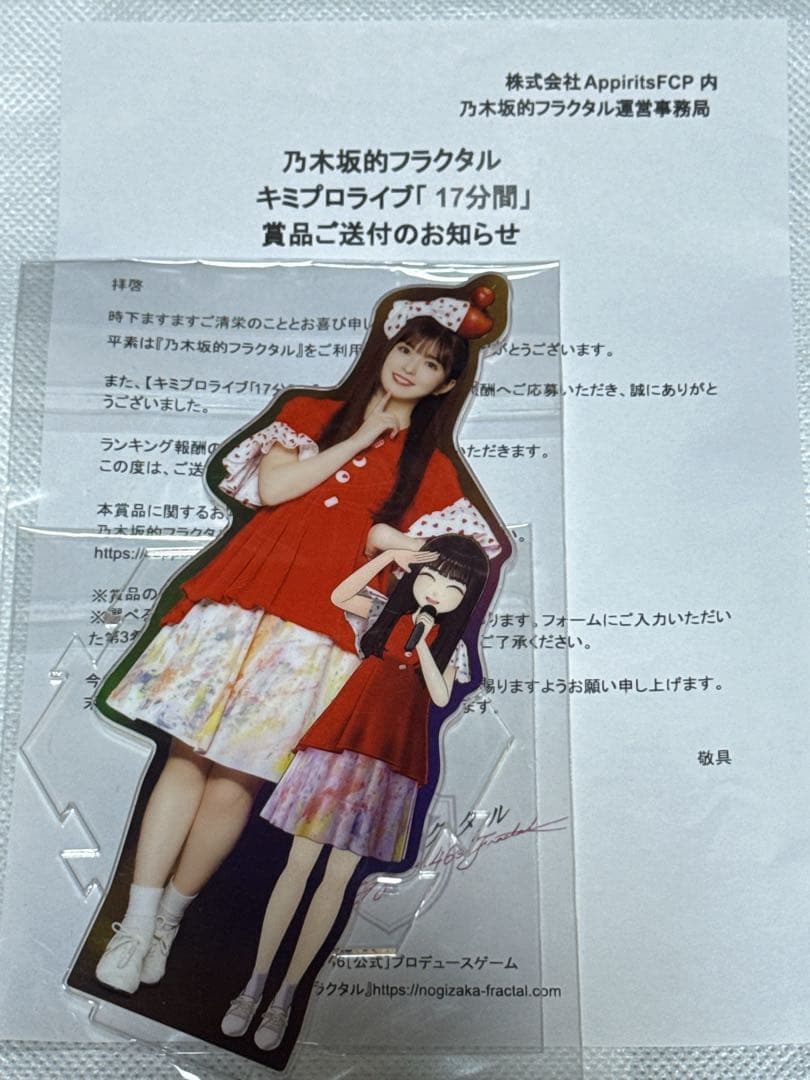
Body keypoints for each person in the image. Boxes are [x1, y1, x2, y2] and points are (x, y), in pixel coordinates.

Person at [92, 278, 510, 994]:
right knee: (186, 755)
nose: (410, 367)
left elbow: (469, 558)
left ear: (446, 384)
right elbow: (275, 490)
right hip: (241, 601)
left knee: (239, 777)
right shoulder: (310, 415)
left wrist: (391, 543)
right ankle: (135, 923)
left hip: (322, 636)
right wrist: (361, 438)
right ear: (387, 347)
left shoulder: (433, 470)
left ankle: (168, 923)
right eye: (407, 350)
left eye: (431, 364)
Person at [220, 534, 489, 1050]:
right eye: (431, 576)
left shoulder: (449, 645)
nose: (437, 590)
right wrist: (388, 558)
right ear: (415, 573)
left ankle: (284, 999)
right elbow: (340, 596)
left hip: (390, 762)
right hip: (342, 743)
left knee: (337, 880)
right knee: (297, 865)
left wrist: (425, 640)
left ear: (466, 599)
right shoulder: (385, 612)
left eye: (453, 587)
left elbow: (438, 696)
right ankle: (252, 987)